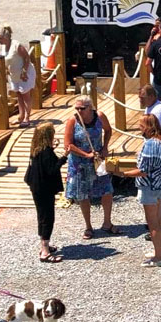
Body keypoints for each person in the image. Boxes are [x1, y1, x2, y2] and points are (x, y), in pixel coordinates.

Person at [117, 115, 161, 267]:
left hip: (149, 186)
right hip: (159, 185)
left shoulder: (150, 145)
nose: (139, 129)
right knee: (159, 220)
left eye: (141, 126)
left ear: (147, 128)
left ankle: (158, 258)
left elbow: (143, 170)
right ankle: (159, 251)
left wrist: (123, 174)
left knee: (152, 223)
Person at [63, 95, 118, 238]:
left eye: (82, 108)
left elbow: (108, 130)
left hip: (98, 160)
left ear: (90, 107)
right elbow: (68, 145)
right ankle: (88, 226)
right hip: (80, 163)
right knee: (83, 194)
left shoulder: (99, 116)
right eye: (77, 108)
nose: (79, 111)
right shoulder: (72, 121)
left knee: (106, 190)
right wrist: (85, 154)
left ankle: (107, 222)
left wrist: (105, 146)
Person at [24, 122, 67, 262]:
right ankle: (45, 251)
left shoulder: (36, 150)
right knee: (48, 218)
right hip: (44, 188)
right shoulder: (46, 152)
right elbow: (52, 170)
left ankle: (45, 245)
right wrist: (64, 157)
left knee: (42, 216)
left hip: (36, 187)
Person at [138, 84, 161, 232]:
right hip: (160, 152)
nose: (140, 100)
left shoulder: (157, 112)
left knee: (157, 190)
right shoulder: (153, 108)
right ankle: (158, 224)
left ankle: (160, 226)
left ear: (152, 96)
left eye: (142, 97)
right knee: (158, 190)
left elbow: (156, 134)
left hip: (157, 155)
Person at [0, 25, 35, 126]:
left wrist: (24, 71)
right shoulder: (3, 47)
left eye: (0, 39)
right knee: (19, 95)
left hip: (24, 73)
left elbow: (27, 58)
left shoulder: (16, 45)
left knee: (25, 95)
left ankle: (27, 118)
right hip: (14, 74)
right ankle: (21, 116)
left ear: (6, 37)